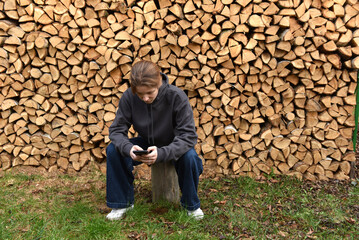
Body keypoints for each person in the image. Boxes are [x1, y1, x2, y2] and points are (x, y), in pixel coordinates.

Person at [106, 60, 204, 220]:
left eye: (150, 93)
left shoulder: (176, 96)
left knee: (191, 157)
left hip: (174, 144)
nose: (145, 98)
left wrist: (162, 153)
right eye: (140, 94)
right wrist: (129, 149)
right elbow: (117, 130)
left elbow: (188, 137)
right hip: (147, 143)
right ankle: (121, 203)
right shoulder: (129, 97)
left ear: (158, 84)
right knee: (113, 150)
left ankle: (191, 205)